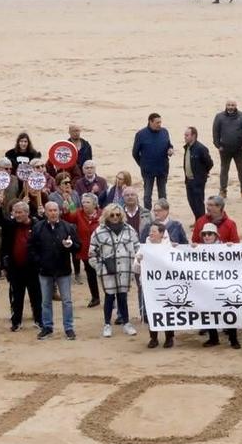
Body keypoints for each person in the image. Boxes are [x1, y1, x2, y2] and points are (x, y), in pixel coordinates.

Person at [90, 202, 140, 338]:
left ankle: (126, 323)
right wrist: (99, 267)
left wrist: (135, 263)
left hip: (125, 269)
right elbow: (92, 252)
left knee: (123, 297)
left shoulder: (129, 229)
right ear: (106, 215)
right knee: (109, 297)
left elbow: (137, 247)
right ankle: (107, 324)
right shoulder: (99, 231)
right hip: (107, 270)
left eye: (118, 214)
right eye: (112, 215)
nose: (115, 217)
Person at [31, 200, 79, 339]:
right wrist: (39, 262)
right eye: (50, 210)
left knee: (67, 301)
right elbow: (32, 247)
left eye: (55, 210)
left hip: (63, 270)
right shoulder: (38, 227)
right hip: (45, 271)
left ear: (59, 211)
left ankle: (69, 328)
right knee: (45, 301)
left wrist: (70, 245)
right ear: (45, 212)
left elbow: (78, 246)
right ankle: (47, 327)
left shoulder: (68, 227)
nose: (52, 213)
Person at [211, 101, 242, 199]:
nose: (230, 107)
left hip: (239, 149)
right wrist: (218, 145)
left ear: (236, 106)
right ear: (226, 106)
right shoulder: (219, 117)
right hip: (224, 148)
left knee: (241, 169)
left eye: (232, 105)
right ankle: (223, 191)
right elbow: (215, 131)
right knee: (224, 169)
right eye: (229, 105)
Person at [132, 113, 173, 207]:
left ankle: (163, 213)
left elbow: (169, 145)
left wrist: (170, 149)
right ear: (150, 122)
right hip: (148, 170)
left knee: (162, 195)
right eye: (157, 122)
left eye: (160, 122)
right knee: (147, 195)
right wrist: (142, 164)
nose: (159, 124)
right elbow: (135, 153)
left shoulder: (164, 132)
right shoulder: (141, 134)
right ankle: (147, 214)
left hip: (162, 168)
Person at [178, 126, 213, 221]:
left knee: (198, 202)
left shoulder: (201, 148)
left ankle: (201, 222)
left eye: (187, 135)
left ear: (193, 136)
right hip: (188, 179)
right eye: (185, 135)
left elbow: (209, 163)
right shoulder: (187, 148)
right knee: (191, 202)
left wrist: (202, 174)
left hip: (198, 180)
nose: (185, 137)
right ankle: (198, 220)